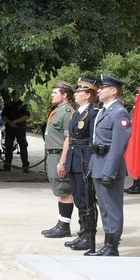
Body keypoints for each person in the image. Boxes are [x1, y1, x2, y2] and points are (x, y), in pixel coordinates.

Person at [87, 74, 131, 257]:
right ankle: (107, 244)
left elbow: (118, 146)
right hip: (98, 164)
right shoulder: (104, 111)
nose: (99, 90)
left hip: (109, 167)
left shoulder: (119, 112)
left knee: (112, 207)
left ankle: (112, 247)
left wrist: (109, 172)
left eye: (103, 87)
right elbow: (96, 142)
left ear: (113, 91)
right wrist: (91, 167)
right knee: (104, 207)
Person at [60, 77, 101, 253]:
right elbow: (70, 137)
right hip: (74, 158)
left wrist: (92, 163)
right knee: (78, 197)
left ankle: (89, 234)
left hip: (85, 158)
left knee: (87, 199)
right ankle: (83, 231)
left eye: (79, 92)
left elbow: (93, 139)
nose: (75, 94)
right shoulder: (77, 113)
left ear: (88, 95)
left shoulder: (93, 114)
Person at [40, 83, 77, 239]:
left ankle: (64, 226)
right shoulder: (57, 111)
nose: (52, 95)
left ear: (65, 95)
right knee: (60, 190)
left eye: (55, 92)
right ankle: (61, 222)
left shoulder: (68, 112)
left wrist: (62, 162)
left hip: (60, 154)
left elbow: (69, 138)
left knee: (65, 190)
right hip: (52, 154)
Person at [2, 91, 30, 172]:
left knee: (23, 147)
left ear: (19, 95)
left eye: (16, 94)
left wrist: (15, 121)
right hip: (10, 128)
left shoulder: (23, 104)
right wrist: (10, 122)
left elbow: (26, 116)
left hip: (20, 127)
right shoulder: (8, 104)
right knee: (8, 146)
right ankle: (7, 166)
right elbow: (3, 115)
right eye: (13, 94)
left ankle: (25, 166)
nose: (14, 96)